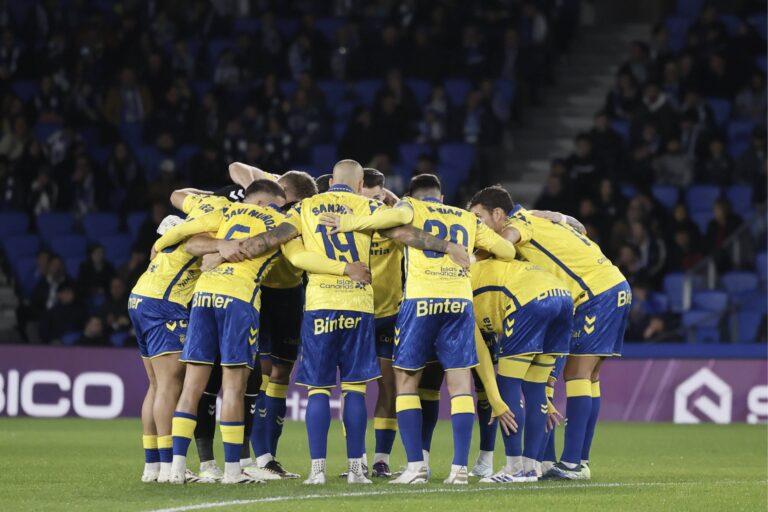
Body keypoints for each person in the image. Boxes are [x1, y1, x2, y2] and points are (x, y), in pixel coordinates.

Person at [228, 161, 469, 485]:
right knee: (355, 390)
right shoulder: (367, 207)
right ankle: (357, 469)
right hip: (358, 306)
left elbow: (283, 248)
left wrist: (228, 250)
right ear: (358, 185)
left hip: (319, 307)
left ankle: (317, 471)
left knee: (318, 391)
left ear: (329, 182)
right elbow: (406, 232)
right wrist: (448, 246)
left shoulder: (306, 207)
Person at [318, 173, 518, 484]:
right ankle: (459, 470)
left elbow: (389, 217)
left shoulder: (411, 207)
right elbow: (508, 251)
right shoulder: (466, 218)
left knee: (406, 380)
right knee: (460, 383)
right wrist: (473, 256)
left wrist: (347, 223)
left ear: (414, 195)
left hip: (421, 301)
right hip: (459, 302)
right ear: (441, 197)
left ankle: (415, 468)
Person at [163, 179, 366, 485]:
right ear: (266, 202)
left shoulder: (228, 211)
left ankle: (175, 469)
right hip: (238, 300)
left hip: (203, 296)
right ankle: (233, 472)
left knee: (192, 385)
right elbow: (274, 246)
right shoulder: (281, 220)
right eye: (278, 202)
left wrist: (218, 248)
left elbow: (190, 242)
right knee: (233, 387)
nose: (282, 207)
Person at [468, 185, 630, 481]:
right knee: (590, 379)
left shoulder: (517, 225)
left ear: (498, 213)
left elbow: (505, 243)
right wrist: (563, 217)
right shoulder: (537, 218)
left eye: (478, 218)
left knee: (578, 375)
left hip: (594, 293)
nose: (476, 226)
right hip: (614, 285)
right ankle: (578, 460)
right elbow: (561, 221)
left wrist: (467, 258)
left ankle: (571, 464)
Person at [127, 187, 229, 484]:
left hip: (140, 299)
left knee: (157, 385)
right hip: (163, 306)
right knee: (171, 384)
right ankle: (174, 465)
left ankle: (153, 467)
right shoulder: (200, 234)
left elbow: (180, 194)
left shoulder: (175, 237)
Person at [468, 257, 573, 483]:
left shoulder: (461, 286)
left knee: (508, 383)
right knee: (536, 387)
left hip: (528, 300)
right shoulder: (498, 267)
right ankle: (531, 468)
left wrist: (495, 399)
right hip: (563, 298)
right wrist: (545, 403)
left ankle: (514, 467)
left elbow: (481, 354)